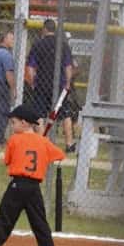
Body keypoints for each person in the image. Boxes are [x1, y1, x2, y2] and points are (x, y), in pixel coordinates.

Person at [0, 102, 66, 246]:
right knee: (39, 221)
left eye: (14, 122)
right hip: (34, 188)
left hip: (17, 186)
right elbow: (60, 155)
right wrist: (41, 140)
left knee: (5, 218)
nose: (12, 125)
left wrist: (35, 141)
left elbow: (7, 161)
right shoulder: (43, 142)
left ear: (24, 123)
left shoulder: (14, 140)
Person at [26, 18, 78, 153]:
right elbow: (68, 66)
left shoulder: (38, 44)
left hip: (42, 84)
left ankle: (42, 142)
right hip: (59, 84)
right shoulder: (63, 45)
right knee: (65, 113)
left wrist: (32, 83)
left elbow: (30, 68)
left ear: (44, 29)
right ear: (54, 30)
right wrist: (67, 83)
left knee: (39, 115)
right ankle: (69, 144)